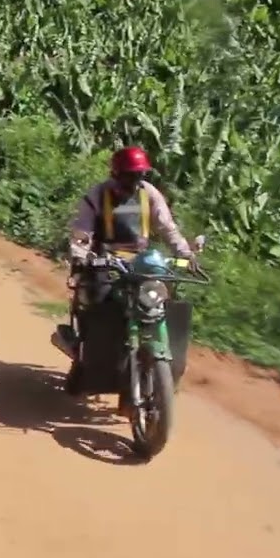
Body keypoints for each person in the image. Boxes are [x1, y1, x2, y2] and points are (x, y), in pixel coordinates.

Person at [57, 146, 198, 399]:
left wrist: (186, 254)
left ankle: (159, 365)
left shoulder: (149, 194)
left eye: (138, 175)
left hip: (142, 260)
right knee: (99, 305)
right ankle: (85, 361)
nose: (133, 181)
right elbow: (82, 232)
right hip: (105, 261)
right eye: (128, 176)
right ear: (116, 173)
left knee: (159, 301)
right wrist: (81, 256)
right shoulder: (98, 195)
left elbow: (167, 227)